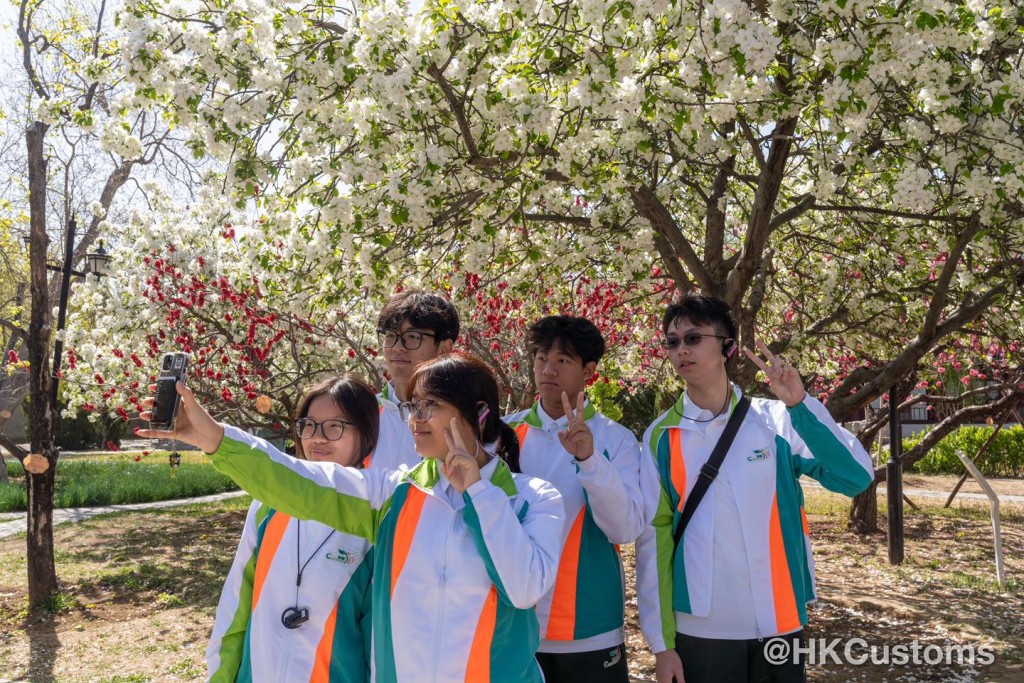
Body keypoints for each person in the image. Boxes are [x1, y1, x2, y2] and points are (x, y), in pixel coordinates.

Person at [141, 354, 564, 682]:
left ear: (480, 413)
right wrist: (213, 437)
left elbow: (522, 589)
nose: (414, 419)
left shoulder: (535, 499)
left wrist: (479, 493)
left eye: (429, 405)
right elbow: (298, 480)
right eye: (412, 406)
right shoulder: (392, 494)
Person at [635, 294, 874, 683]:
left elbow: (855, 478)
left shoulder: (777, 419)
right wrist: (662, 644)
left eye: (693, 338)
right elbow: (653, 540)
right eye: (672, 342)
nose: (681, 350)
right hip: (702, 628)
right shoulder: (661, 436)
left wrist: (801, 405)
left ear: (727, 347)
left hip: (780, 618)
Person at [504, 315, 656, 682]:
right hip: (514, 624)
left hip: (589, 625)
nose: (548, 369)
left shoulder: (616, 439)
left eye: (562, 360)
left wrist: (590, 460)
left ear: (588, 371)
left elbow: (624, 529)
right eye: (542, 358)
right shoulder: (504, 434)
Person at [204, 375, 380, 683]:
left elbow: (379, 641)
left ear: (365, 434)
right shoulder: (268, 506)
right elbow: (236, 606)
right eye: (308, 425)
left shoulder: (376, 518)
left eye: (334, 426)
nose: (317, 438)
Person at [371, 290, 459, 472]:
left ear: (445, 348)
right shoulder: (363, 413)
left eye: (412, 337)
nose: (397, 347)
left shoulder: (463, 420)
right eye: (390, 335)